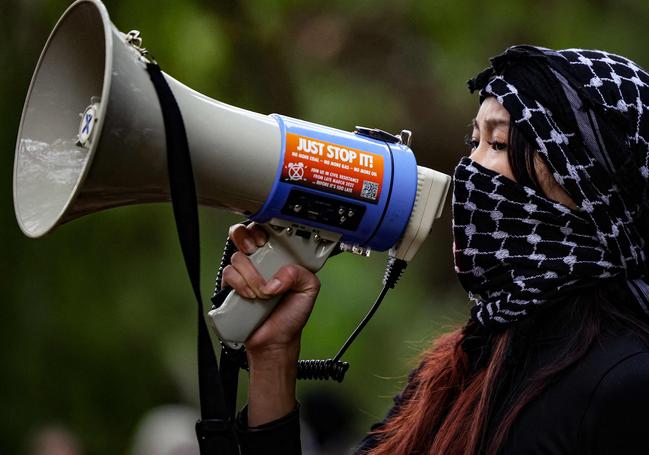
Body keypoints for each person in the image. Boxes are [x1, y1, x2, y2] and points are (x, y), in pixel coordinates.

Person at [223, 46, 649, 454]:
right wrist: (274, 357)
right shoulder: (458, 368)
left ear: (591, 186)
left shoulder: (627, 383)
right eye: (473, 141)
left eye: (498, 145)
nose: (469, 170)